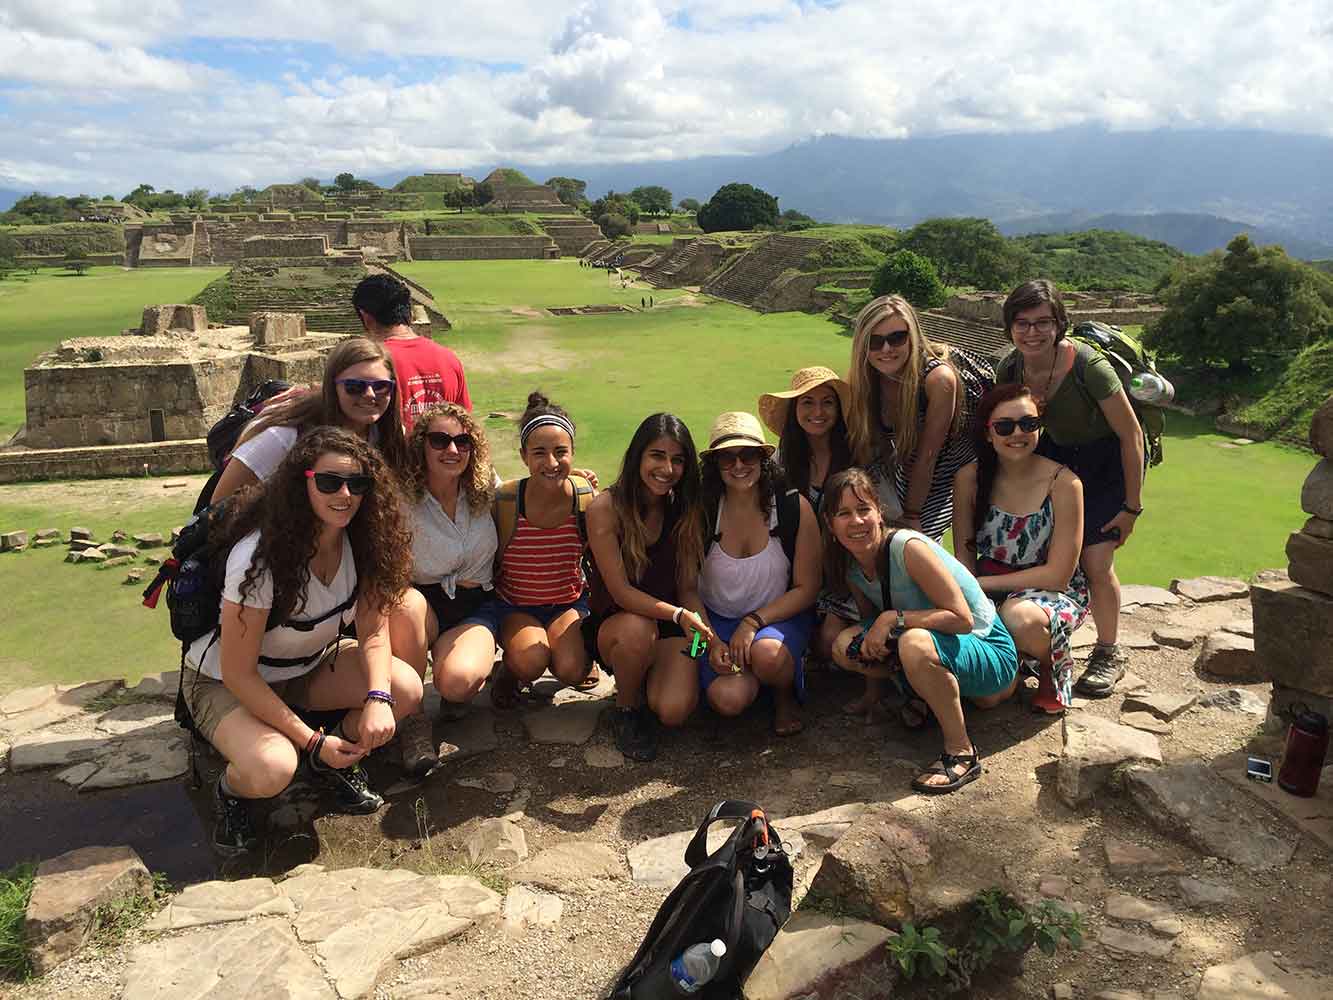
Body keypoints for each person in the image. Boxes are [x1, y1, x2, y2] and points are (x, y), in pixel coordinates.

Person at [180, 427, 421, 854]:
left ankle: (333, 759)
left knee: (403, 688)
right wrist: (310, 738)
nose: (345, 494)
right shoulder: (261, 558)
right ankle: (232, 792)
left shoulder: (363, 542)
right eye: (329, 482)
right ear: (302, 482)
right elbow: (238, 672)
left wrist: (378, 697)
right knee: (272, 768)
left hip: (305, 665)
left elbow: (374, 632)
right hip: (223, 681)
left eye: (358, 483)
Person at [823, 468, 1018, 793]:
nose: (856, 522)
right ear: (830, 525)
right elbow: (871, 624)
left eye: (863, 510)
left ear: (879, 513)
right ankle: (923, 694)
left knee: (914, 643)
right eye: (843, 513)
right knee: (846, 644)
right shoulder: (851, 564)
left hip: (986, 644)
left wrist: (892, 620)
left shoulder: (906, 548)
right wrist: (873, 695)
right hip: (943, 642)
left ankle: (961, 752)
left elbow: (961, 619)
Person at [993, 280, 1145, 697]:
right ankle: (1037, 641)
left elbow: (1131, 435)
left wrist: (1132, 507)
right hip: (1051, 463)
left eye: (1043, 322)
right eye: (1022, 323)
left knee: (1096, 562)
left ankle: (1109, 651)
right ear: (1009, 326)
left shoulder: (1088, 366)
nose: (1032, 332)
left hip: (1101, 465)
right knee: (1046, 556)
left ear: (1060, 324)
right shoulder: (1011, 367)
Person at [952, 385, 1089, 713]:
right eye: (1005, 426)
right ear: (988, 433)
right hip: (989, 587)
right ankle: (1013, 664)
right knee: (988, 699)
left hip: (1048, 594)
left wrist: (979, 586)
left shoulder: (1064, 483)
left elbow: (1058, 576)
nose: (1018, 433)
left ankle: (1053, 665)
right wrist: (970, 597)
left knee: (1020, 619)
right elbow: (964, 555)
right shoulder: (969, 479)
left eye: (1029, 424)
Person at [586, 413, 712, 761]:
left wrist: (705, 641)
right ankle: (626, 708)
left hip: (670, 628)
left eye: (678, 459)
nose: (667, 468)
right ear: (638, 456)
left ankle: (646, 679)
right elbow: (621, 591)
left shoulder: (684, 509)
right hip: (619, 626)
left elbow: (688, 588)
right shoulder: (606, 509)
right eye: (657, 455)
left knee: (674, 711)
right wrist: (679, 615)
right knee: (636, 630)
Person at [388, 403, 500, 776]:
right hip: (425, 603)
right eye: (440, 440)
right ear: (421, 446)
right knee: (405, 604)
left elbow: (529, 490)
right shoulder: (403, 499)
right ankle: (413, 721)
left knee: (457, 682)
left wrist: (572, 478)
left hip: (473, 604)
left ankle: (453, 687)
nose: (452, 450)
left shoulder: (484, 488)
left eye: (462, 441)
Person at [694, 412, 820, 737]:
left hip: (778, 617)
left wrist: (752, 623)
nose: (738, 465)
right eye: (727, 457)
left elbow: (808, 589)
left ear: (763, 459)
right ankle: (739, 674)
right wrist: (709, 642)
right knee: (727, 700)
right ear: (714, 464)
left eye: (748, 454)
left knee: (767, 655)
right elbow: (685, 589)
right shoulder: (701, 512)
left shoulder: (793, 507)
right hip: (712, 623)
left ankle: (783, 694)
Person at [485, 392, 597, 709]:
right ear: (523, 456)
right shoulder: (505, 500)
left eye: (561, 452)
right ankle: (509, 669)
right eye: (539, 453)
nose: (550, 462)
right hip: (516, 605)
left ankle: (578, 654)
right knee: (531, 661)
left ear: (573, 453)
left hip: (567, 602)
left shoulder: (585, 497)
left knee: (571, 669)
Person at [211, 337, 408, 502]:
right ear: (333, 388)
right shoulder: (284, 436)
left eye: (381, 386)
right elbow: (220, 505)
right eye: (354, 386)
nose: (370, 394)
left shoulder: (387, 435)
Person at [846, 295, 975, 541]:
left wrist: (912, 514)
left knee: (915, 545)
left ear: (912, 336)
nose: (886, 349)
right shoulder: (867, 378)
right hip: (893, 466)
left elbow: (929, 457)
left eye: (896, 338)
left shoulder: (937, 380)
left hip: (939, 474)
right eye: (875, 341)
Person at [757, 366, 857, 668]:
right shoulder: (782, 460)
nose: (818, 411)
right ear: (794, 410)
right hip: (796, 572)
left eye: (827, 402)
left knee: (829, 645)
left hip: (846, 571)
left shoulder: (856, 453)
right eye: (807, 402)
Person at [352, 272, 471, 431]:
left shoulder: (369, 366)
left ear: (366, 318)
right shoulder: (449, 359)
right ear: (410, 313)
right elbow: (465, 426)